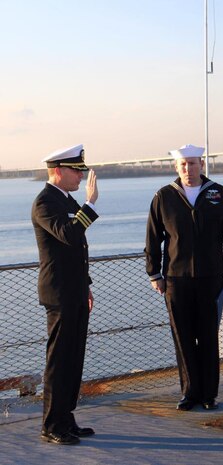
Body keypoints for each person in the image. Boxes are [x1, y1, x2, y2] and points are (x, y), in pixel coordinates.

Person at [145, 144, 223, 411]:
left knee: (208, 337)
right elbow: (153, 238)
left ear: (201, 163)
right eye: (183, 165)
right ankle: (190, 393)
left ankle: (209, 394)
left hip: (211, 279)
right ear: (177, 167)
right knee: (183, 338)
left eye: (192, 163)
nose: (188, 169)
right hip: (176, 280)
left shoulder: (219, 194)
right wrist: (154, 274)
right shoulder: (164, 197)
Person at [31, 144, 99, 445]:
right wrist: (90, 206)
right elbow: (70, 234)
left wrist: (86, 286)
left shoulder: (65, 200)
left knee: (73, 358)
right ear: (58, 171)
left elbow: (77, 252)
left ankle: (66, 417)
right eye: (76, 170)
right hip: (58, 293)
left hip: (74, 291)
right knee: (59, 360)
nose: (81, 177)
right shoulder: (45, 202)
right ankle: (50, 424)